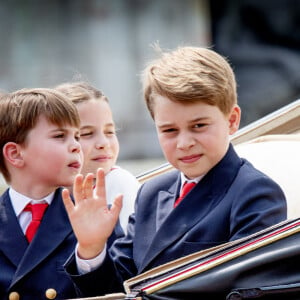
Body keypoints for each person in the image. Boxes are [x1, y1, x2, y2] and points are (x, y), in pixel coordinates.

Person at [62, 46, 287, 295]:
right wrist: (92, 247)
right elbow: (117, 287)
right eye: (169, 130)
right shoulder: (151, 192)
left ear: (232, 120)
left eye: (199, 125)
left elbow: (248, 290)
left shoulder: (254, 193)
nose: (184, 143)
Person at [0, 88, 123, 299]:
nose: (76, 146)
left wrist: (91, 251)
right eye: (59, 136)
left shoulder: (97, 215)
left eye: (77, 136)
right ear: (15, 154)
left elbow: (118, 294)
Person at [55, 81, 140, 232]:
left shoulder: (118, 182)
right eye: (86, 134)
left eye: (110, 132)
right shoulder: (47, 191)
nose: (103, 143)